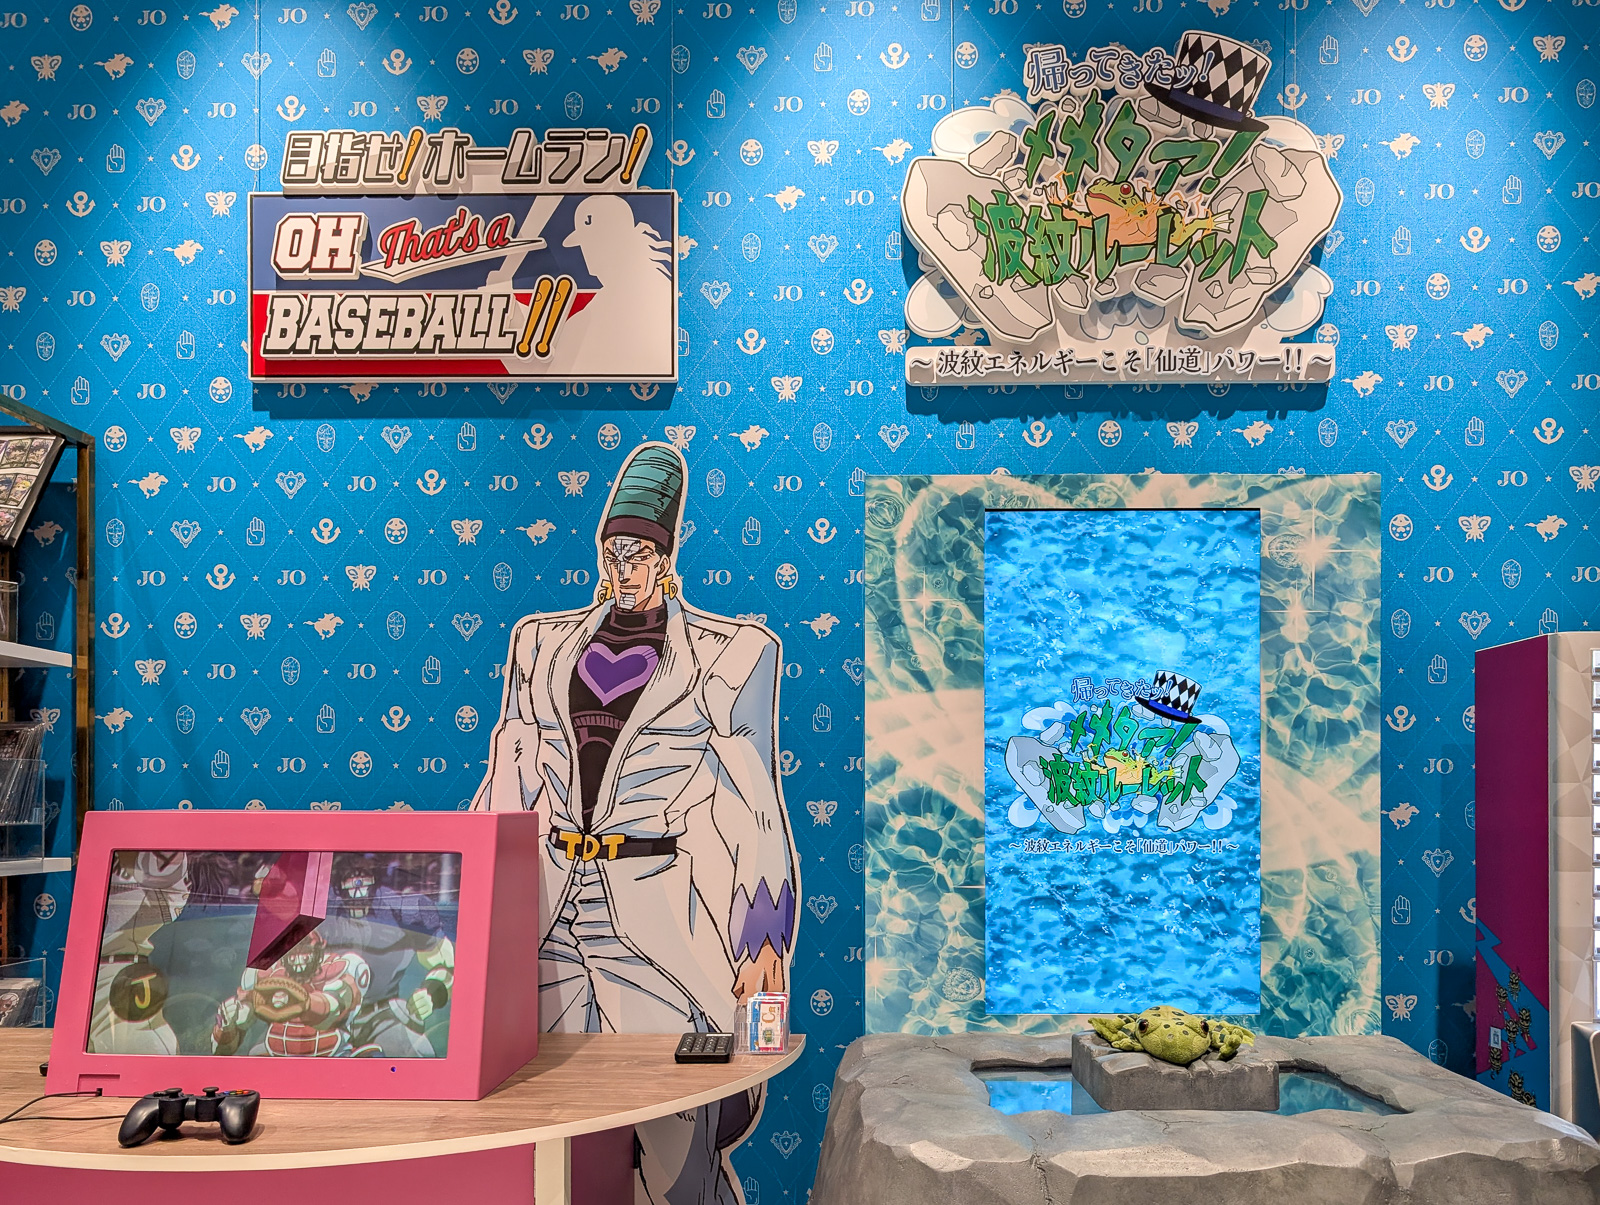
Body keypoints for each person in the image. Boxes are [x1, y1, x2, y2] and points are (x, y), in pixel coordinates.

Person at [474, 442, 799, 1205]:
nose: (624, 568)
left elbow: (754, 798)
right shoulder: (540, 645)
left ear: (666, 555)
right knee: (544, 1143)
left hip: (650, 925)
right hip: (548, 918)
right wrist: (473, 913)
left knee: (673, 1149)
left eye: (639, 553)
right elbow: (509, 780)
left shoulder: (727, 655)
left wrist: (761, 934)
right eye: (613, 552)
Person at [547, 194, 674, 379]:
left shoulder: (589, 318)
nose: (586, 252)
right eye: (585, 243)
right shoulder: (661, 288)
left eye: (593, 242)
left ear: (618, 240)